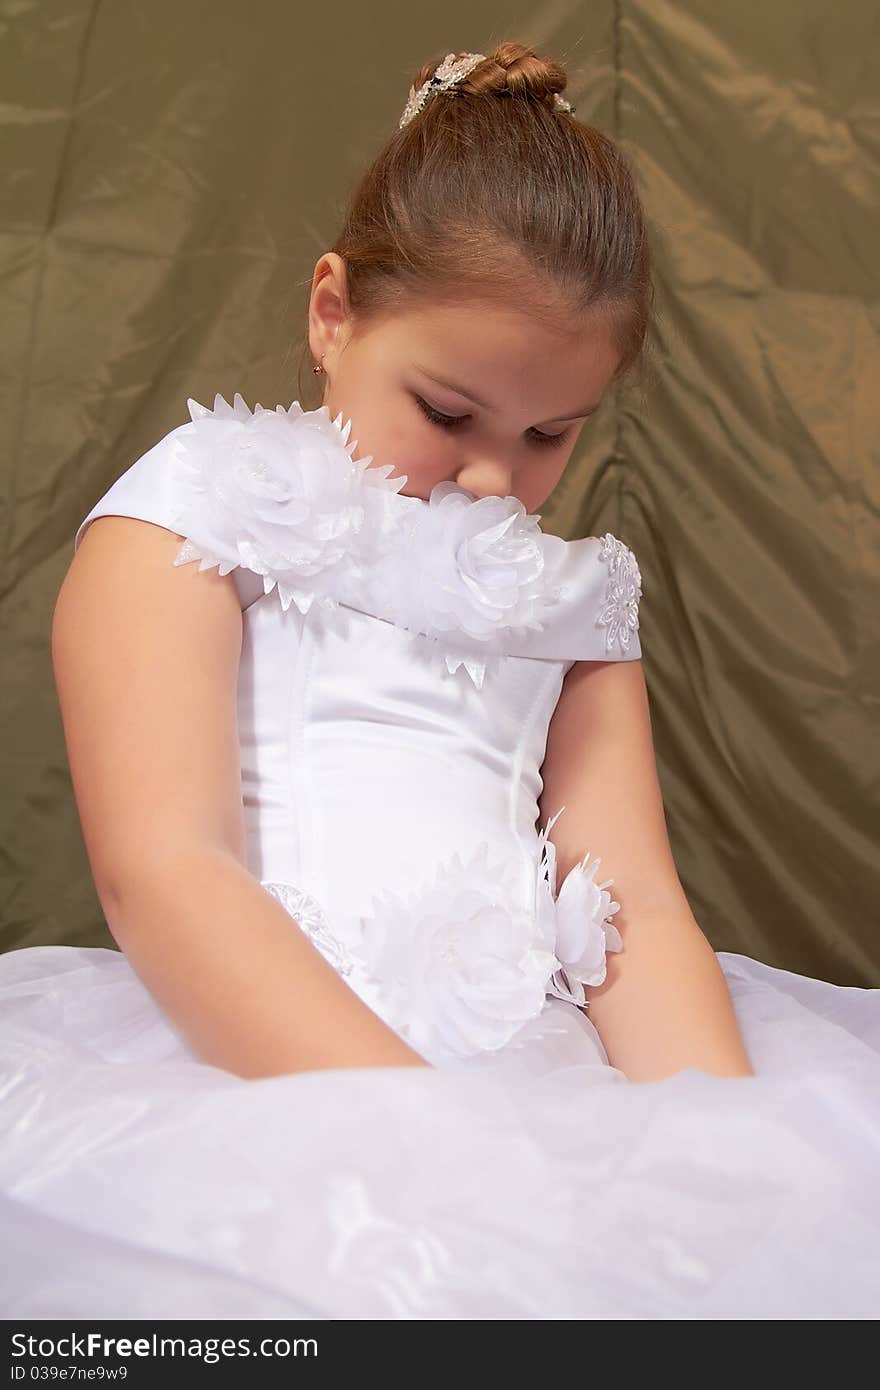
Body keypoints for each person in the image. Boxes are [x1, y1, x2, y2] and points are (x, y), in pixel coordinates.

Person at [1, 43, 877, 1320]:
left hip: (534, 1076)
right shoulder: (197, 512)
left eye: (549, 436)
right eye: (447, 410)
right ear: (330, 312)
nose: (489, 477)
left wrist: (718, 1156)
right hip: (264, 1066)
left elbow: (633, 908)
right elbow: (165, 870)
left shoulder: (574, 601)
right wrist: (429, 1145)